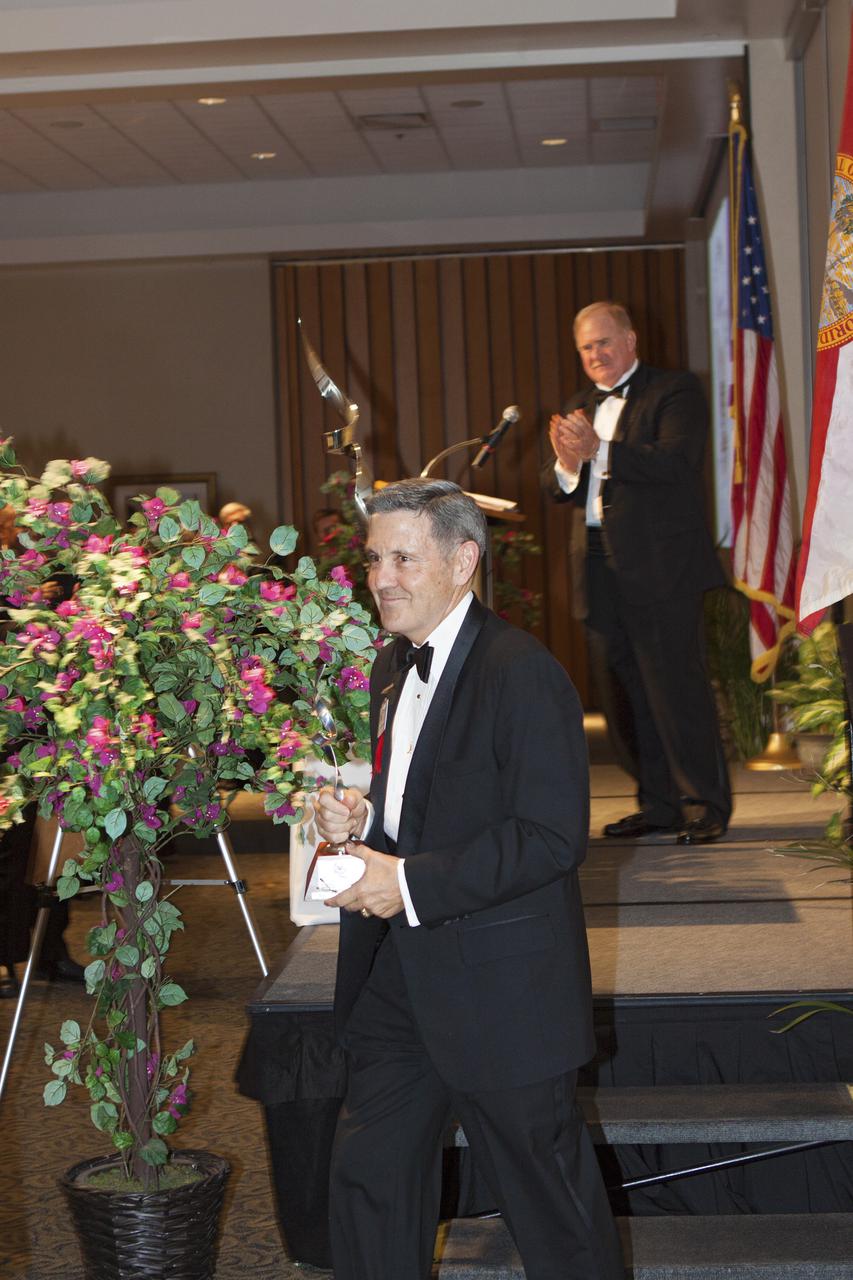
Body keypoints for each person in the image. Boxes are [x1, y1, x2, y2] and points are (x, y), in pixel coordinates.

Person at [314, 478, 625, 1280]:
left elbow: (549, 837)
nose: (381, 577)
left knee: (550, 1213)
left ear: (462, 560)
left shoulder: (521, 671)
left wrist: (408, 883)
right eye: (375, 557)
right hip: (399, 978)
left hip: (502, 989)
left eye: (403, 558)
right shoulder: (389, 665)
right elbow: (422, 803)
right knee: (368, 1177)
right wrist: (360, 819)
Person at [542, 301, 731, 845]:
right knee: (623, 694)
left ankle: (706, 803)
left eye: (604, 342)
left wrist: (600, 449)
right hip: (598, 567)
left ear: (629, 339)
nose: (596, 354)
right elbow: (556, 488)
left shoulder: (674, 391)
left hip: (663, 567)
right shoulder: (579, 405)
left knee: (676, 689)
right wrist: (568, 463)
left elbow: (675, 463)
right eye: (586, 347)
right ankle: (657, 803)